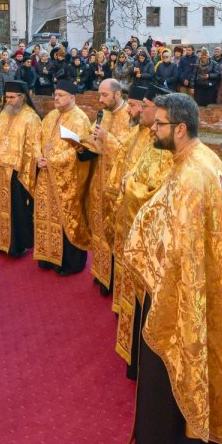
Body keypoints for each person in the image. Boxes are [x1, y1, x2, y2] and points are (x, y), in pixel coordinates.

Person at [121, 93, 222, 444]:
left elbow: (176, 249)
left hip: (178, 296)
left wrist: (139, 246)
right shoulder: (205, 160)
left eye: (159, 124)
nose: (154, 130)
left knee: (169, 375)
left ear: (180, 129)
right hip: (204, 283)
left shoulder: (191, 178)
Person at [109, 85, 174, 376]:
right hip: (132, 225)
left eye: (142, 106)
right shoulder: (147, 137)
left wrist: (127, 185)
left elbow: (158, 192)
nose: (137, 111)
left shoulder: (164, 145)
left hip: (149, 236)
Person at [34, 79, 94, 276]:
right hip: (46, 176)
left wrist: (51, 161)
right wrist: (38, 156)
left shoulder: (80, 119)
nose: (56, 98)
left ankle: (69, 263)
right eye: (55, 95)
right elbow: (38, 138)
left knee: (65, 218)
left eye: (60, 95)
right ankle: (47, 256)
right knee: (46, 215)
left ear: (72, 97)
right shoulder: (51, 115)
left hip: (67, 179)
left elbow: (79, 149)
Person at [0, 80, 42, 257]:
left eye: (11, 97)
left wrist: (25, 170)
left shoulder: (31, 118)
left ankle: (16, 246)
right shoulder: (3, 114)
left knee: (15, 210)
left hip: (16, 172)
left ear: (22, 97)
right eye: (6, 97)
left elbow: (33, 146)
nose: (8, 101)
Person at [87, 79, 135, 295]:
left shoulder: (130, 117)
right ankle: (101, 273)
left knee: (113, 233)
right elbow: (93, 138)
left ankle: (114, 280)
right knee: (98, 228)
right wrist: (82, 144)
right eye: (100, 94)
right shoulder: (103, 114)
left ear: (117, 95)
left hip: (116, 188)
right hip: (99, 181)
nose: (100, 99)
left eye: (104, 95)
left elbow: (129, 153)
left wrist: (107, 139)